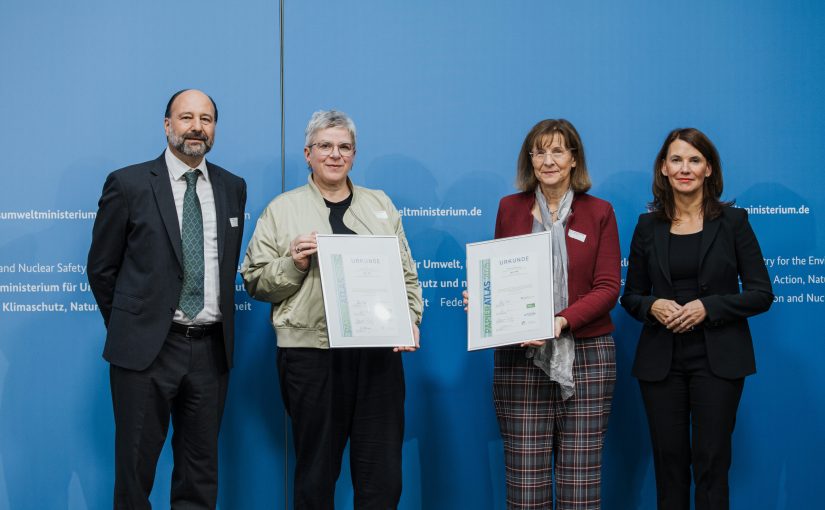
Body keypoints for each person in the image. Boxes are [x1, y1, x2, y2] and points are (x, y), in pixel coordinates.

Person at [241, 110, 423, 509]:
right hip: (311, 358)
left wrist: (410, 318)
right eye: (325, 146)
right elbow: (254, 280)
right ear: (308, 153)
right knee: (316, 475)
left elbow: (406, 274)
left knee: (382, 477)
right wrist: (295, 263)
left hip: (377, 357)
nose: (335, 155)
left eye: (344, 147)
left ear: (354, 155)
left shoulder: (380, 205)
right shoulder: (281, 210)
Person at [87, 89, 247, 509]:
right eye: (186, 117)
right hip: (146, 351)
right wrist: (135, 323)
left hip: (211, 351)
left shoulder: (233, 187)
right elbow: (101, 269)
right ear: (167, 125)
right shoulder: (129, 183)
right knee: (135, 474)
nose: (197, 127)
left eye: (206, 119)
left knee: (200, 474)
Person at [621, 128, 773, 510]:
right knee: (669, 467)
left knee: (712, 465)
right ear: (663, 168)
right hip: (661, 362)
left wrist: (710, 308)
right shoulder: (646, 226)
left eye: (693, 160)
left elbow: (761, 293)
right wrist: (651, 306)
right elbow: (631, 296)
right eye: (676, 159)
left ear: (708, 169)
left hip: (718, 360)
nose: (684, 168)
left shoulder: (734, 222)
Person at [483, 118, 621, 509]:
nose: (548, 160)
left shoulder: (599, 212)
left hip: (587, 356)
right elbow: (501, 273)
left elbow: (608, 287)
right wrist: (484, 298)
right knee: (525, 487)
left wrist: (559, 321)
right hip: (520, 356)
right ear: (530, 158)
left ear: (574, 158)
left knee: (580, 485)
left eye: (557, 150)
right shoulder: (509, 209)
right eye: (539, 151)